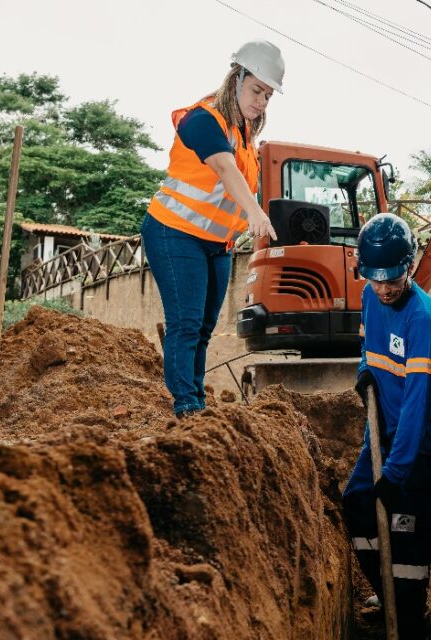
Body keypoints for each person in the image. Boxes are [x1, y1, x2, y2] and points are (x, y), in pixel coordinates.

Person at [140, 40, 283, 418]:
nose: (262, 101)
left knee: (204, 328)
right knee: (185, 323)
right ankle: (185, 405)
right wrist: (255, 213)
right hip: (173, 233)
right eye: (257, 90)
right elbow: (224, 169)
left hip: (215, 244)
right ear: (236, 79)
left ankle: (197, 403)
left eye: (268, 95)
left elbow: (236, 180)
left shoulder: (244, 134)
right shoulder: (203, 121)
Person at [342, 213, 431, 640]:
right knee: (355, 506)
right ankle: (391, 593)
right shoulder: (371, 299)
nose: (385, 289)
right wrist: (363, 373)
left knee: (408, 541)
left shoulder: (424, 321)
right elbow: (370, 356)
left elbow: (417, 403)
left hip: (420, 441)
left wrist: (398, 473)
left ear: (410, 267)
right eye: (375, 279)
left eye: (393, 279)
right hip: (384, 430)